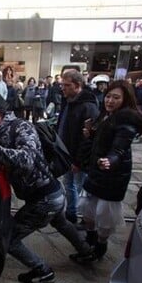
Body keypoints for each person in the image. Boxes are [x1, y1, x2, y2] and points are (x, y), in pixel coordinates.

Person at [0, 92, 94, 283]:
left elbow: (28, 159)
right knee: (61, 222)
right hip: (48, 196)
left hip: (46, 198)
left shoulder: (21, 126)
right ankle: (86, 251)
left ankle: (42, 270)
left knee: (8, 238)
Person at [71, 80, 142, 262]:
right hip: (96, 171)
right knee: (89, 211)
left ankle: (98, 249)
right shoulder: (105, 116)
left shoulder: (125, 120)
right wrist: (90, 134)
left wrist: (110, 161)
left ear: (125, 99)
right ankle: (89, 245)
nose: (110, 101)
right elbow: (97, 144)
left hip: (113, 175)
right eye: (108, 96)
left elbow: (119, 148)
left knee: (103, 215)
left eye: (116, 97)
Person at [56, 69, 99, 224]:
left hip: (77, 158)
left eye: (67, 85)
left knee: (82, 188)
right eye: (62, 85)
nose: (63, 88)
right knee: (69, 185)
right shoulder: (68, 101)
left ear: (78, 85)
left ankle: (86, 219)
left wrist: (78, 161)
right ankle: (71, 212)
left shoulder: (88, 106)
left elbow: (87, 139)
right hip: (66, 154)